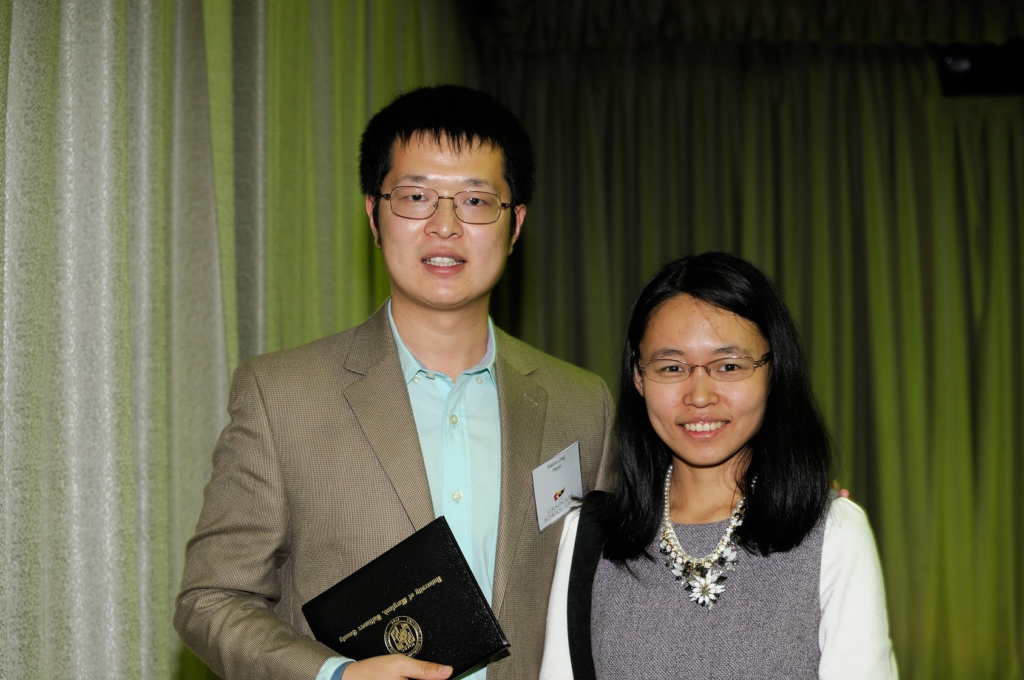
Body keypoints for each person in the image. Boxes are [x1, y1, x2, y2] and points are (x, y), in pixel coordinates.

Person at [174, 85, 614, 680]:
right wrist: (334, 675)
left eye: (477, 200)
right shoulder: (278, 396)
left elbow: (606, 599)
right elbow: (212, 600)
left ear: (515, 226)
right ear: (373, 216)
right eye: (415, 196)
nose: (445, 225)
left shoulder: (583, 403)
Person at [539, 252, 898, 679]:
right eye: (671, 367)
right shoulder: (591, 535)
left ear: (773, 370)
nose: (700, 395)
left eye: (729, 366)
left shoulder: (834, 533)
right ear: (638, 377)